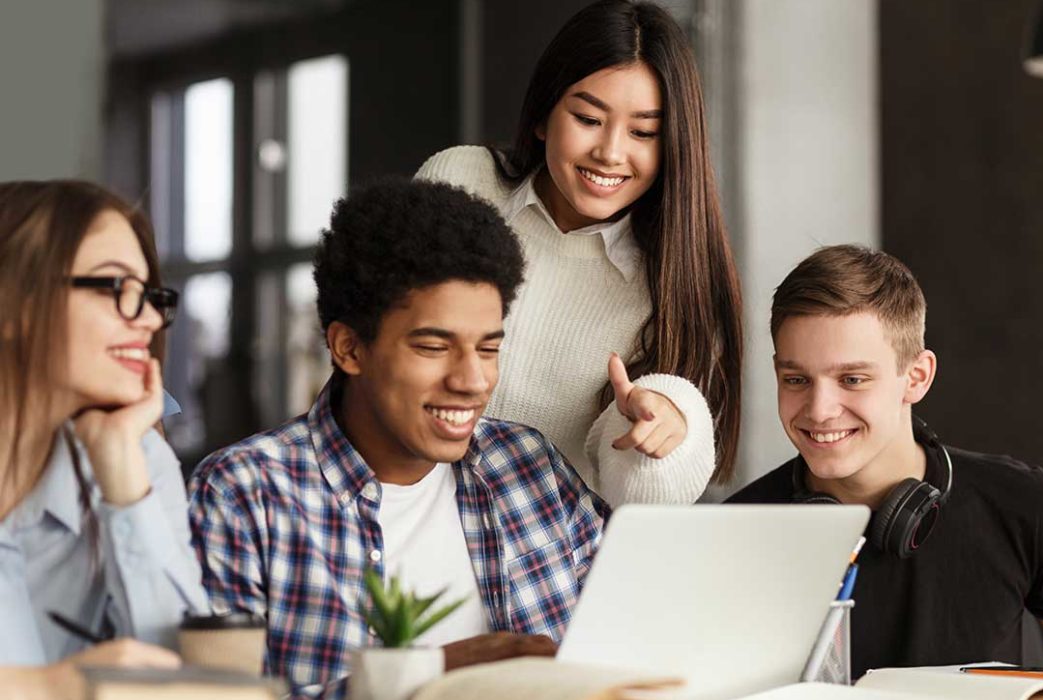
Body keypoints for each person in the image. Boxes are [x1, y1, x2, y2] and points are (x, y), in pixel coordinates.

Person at [188, 179, 609, 699]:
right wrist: (428, 676)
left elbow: (630, 642)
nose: (472, 381)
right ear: (349, 348)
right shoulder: (245, 492)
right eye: (434, 347)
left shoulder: (528, 466)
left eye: (488, 349)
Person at [728, 245, 1043, 676]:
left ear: (916, 377)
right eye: (796, 379)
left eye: (852, 379)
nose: (819, 409)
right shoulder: (733, 532)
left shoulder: (1032, 508)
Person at [416, 0, 744, 506]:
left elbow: (639, 503)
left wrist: (664, 438)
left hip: (540, 563)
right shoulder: (461, 182)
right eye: (589, 118)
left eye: (643, 132)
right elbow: (370, 348)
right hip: (395, 516)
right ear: (545, 115)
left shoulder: (673, 282)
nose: (611, 152)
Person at [0, 181, 208, 699]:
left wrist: (121, 469)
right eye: (118, 288)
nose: (152, 320)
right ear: (14, 303)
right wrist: (50, 687)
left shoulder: (138, 455)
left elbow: (187, 680)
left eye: (153, 297)